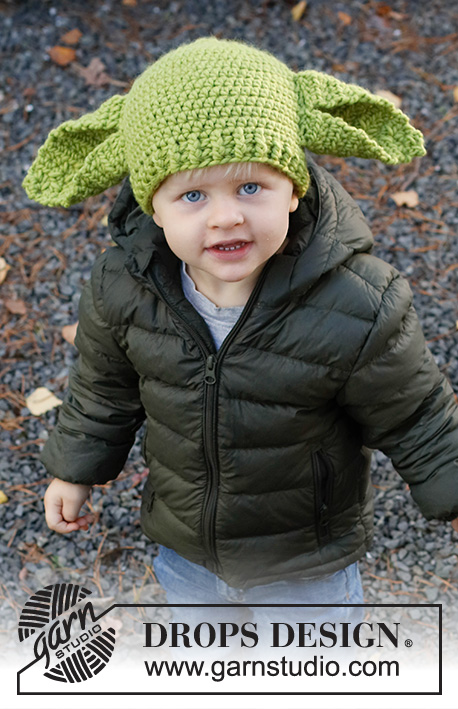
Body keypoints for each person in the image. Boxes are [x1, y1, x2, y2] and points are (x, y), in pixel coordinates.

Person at [23, 38, 458, 634]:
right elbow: (102, 389)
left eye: (250, 187)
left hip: (305, 562)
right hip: (187, 549)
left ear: (294, 188)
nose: (225, 216)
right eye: (193, 195)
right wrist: (73, 468)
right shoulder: (123, 289)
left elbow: (415, 414)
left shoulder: (357, 303)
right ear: (155, 208)